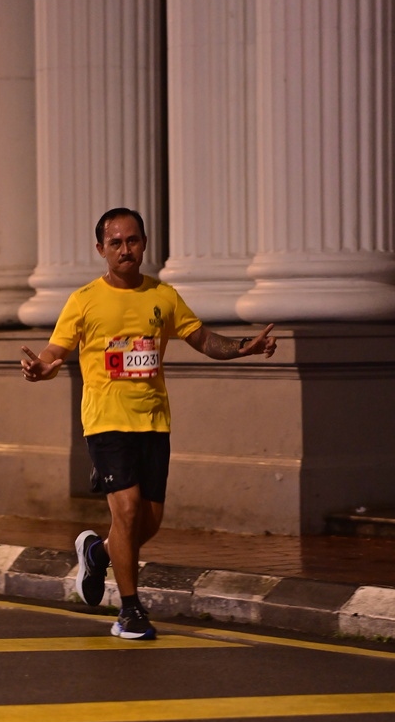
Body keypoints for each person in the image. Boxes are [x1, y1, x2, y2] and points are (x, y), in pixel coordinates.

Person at [20, 208, 277, 640]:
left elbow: (202, 338)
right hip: (105, 421)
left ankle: (97, 553)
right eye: (116, 243)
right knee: (126, 509)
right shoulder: (84, 299)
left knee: (149, 522)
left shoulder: (164, 296)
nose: (125, 249)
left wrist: (243, 347)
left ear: (143, 243)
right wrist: (41, 368)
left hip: (154, 420)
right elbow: (55, 351)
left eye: (133, 240)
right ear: (101, 249)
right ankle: (130, 610)